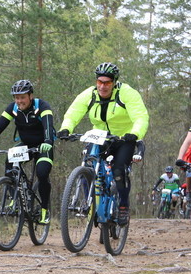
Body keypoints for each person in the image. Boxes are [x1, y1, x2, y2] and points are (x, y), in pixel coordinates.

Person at [56, 62, 150, 226]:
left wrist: (134, 134)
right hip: (99, 137)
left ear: (114, 83)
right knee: (88, 163)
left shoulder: (127, 93)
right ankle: (90, 203)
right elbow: (73, 112)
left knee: (119, 169)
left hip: (123, 138)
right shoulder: (89, 94)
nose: (102, 86)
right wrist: (66, 128)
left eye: (107, 82)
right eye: (99, 82)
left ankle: (123, 206)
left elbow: (140, 116)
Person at [0, 79, 55, 224]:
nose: (19, 101)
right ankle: (14, 198)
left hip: (43, 146)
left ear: (30, 96)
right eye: (16, 97)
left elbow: (48, 125)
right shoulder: (12, 108)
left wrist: (48, 142)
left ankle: (45, 210)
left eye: (22, 97)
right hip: (26, 145)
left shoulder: (42, 106)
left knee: (42, 173)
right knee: (9, 161)